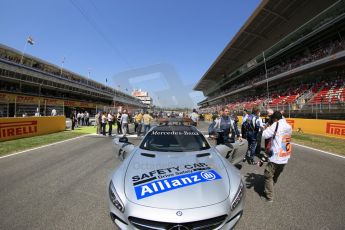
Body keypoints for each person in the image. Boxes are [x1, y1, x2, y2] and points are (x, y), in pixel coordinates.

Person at [262, 111, 292, 202]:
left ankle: (269, 196)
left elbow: (264, 135)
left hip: (276, 156)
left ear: (275, 119)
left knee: (267, 175)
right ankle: (271, 186)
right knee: (276, 174)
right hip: (285, 155)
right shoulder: (288, 125)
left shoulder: (276, 125)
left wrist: (267, 127)